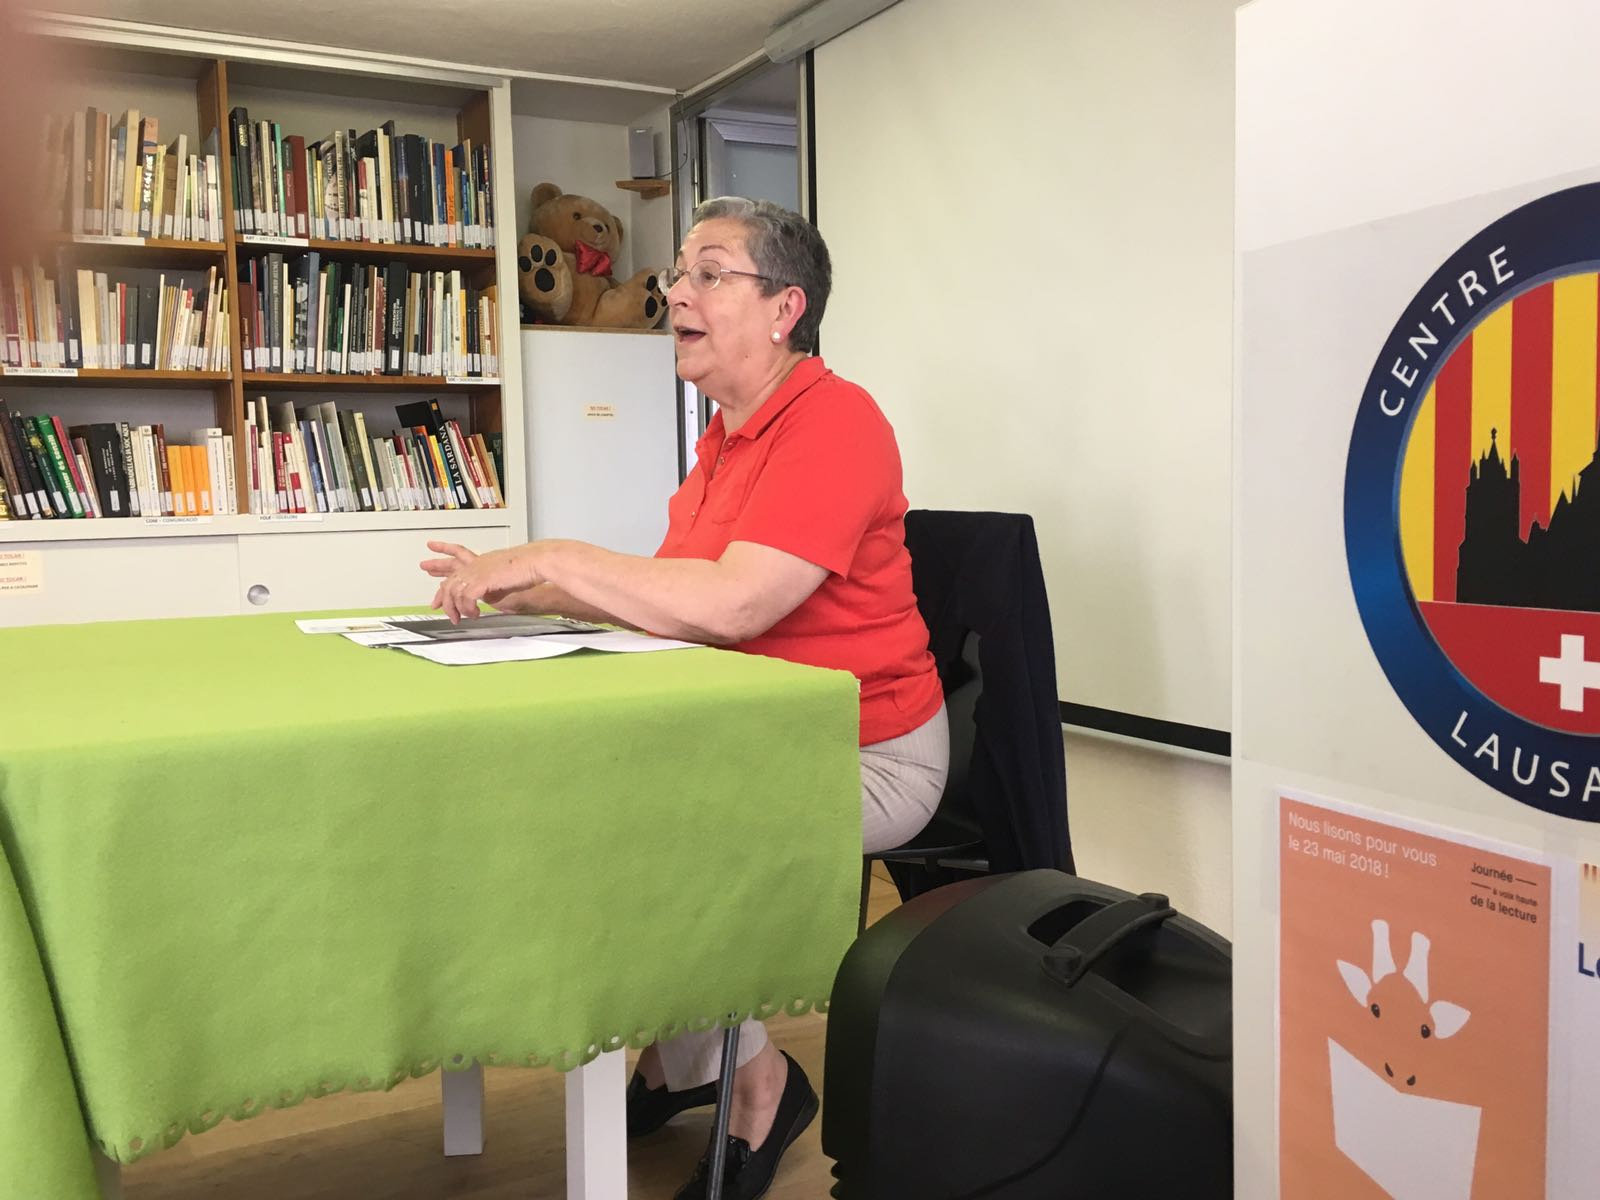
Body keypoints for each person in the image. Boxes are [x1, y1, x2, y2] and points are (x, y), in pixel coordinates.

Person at [421, 196, 948, 1199]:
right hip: (752, 730)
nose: (675, 293)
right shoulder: (725, 440)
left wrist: (553, 555)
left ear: (786, 308)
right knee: (585, 787)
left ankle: (755, 1083)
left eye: (709, 273)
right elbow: (674, 598)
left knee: (645, 828)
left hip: (863, 752)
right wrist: (526, 592)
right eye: (676, 274)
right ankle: (679, 1056)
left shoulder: (836, 422)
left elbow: (736, 604)